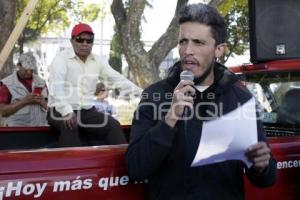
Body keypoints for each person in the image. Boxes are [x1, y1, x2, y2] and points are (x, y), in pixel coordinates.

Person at [126, 3, 277, 200]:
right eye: (183, 41)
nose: (188, 50)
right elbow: (136, 168)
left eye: (198, 42)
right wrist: (170, 118)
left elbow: (266, 180)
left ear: (219, 49)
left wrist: (262, 165)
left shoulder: (240, 99)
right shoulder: (155, 95)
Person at [47, 23, 134, 147]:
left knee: (112, 124)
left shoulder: (97, 60)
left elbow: (117, 78)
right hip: (59, 110)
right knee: (70, 125)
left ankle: (124, 162)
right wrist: (67, 111)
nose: (85, 43)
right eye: (80, 39)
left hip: (86, 111)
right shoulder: (61, 59)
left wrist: (144, 93)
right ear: (72, 41)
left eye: (89, 40)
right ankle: (71, 164)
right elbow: (56, 88)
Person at [0, 52, 48, 126]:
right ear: (18, 66)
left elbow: (52, 109)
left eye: (31, 70)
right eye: (26, 70)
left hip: (41, 130)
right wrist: (24, 101)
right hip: (18, 132)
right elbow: (3, 111)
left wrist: (43, 102)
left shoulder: (41, 82)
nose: (29, 72)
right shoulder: (7, 84)